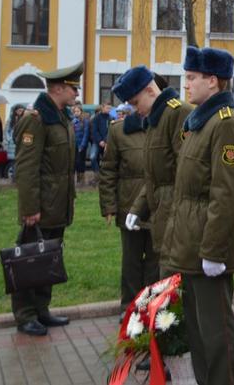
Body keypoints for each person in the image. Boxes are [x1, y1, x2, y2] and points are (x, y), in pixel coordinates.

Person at [160, 46, 234, 384]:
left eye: (192, 78)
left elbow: (225, 194)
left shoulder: (226, 126)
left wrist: (212, 251)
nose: (186, 85)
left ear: (212, 81)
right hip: (191, 244)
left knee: (217, 334)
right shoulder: (200, 123)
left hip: (207, 249)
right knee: (199, 332)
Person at [11, 61, 83, 336]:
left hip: (57, 204)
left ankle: (41, 309)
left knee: (48, 258)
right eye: (72, 89)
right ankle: (25, 314)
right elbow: (27, 168)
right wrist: (30, 208)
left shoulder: (60, 116)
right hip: (40, 206)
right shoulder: (36, 119)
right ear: (58, 88)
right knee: (29, 260)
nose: (76, 94)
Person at [114, 66, 192, 262]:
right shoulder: (154, 119)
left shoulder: (177, 113)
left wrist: (177, 219)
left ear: (150, 90)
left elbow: (185, 171)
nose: (134, 109)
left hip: (177, 217)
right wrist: (137, 208)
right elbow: (152, 176)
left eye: (135, 102)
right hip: (163, 212)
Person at [99, 103, 157, 314]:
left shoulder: (163, 125)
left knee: (155, 261)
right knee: (131, 260)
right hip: (129, 204)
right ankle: (130, 306)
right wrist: (109, 205)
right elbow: (108, 170)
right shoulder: (119, 130)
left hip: (158, 205)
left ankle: (151, 307)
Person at [89, 103, 113, 184]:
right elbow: (94, 131)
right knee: (92, 157)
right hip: (97, 142)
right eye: (107, 108)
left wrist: (105, 141)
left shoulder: (111, 118)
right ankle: (97, 175)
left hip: (107, 143)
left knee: (107, 160)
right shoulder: (96, 118)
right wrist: (100, 141)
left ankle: (105, 177)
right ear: (102, 108)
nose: (109, 110)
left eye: (110, 108)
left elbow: (110, 131)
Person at [71, 105, 90, 184]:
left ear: (81, 112)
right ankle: (76, 179)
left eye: (78, 111)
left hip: (81, 145)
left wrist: (82, 145)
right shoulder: (72, 121)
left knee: (80, 161)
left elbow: (86, 134)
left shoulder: (84, 121)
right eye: (75, 111)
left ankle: (81, 178)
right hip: (73, 145)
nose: (76, 113)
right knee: (74, 162)